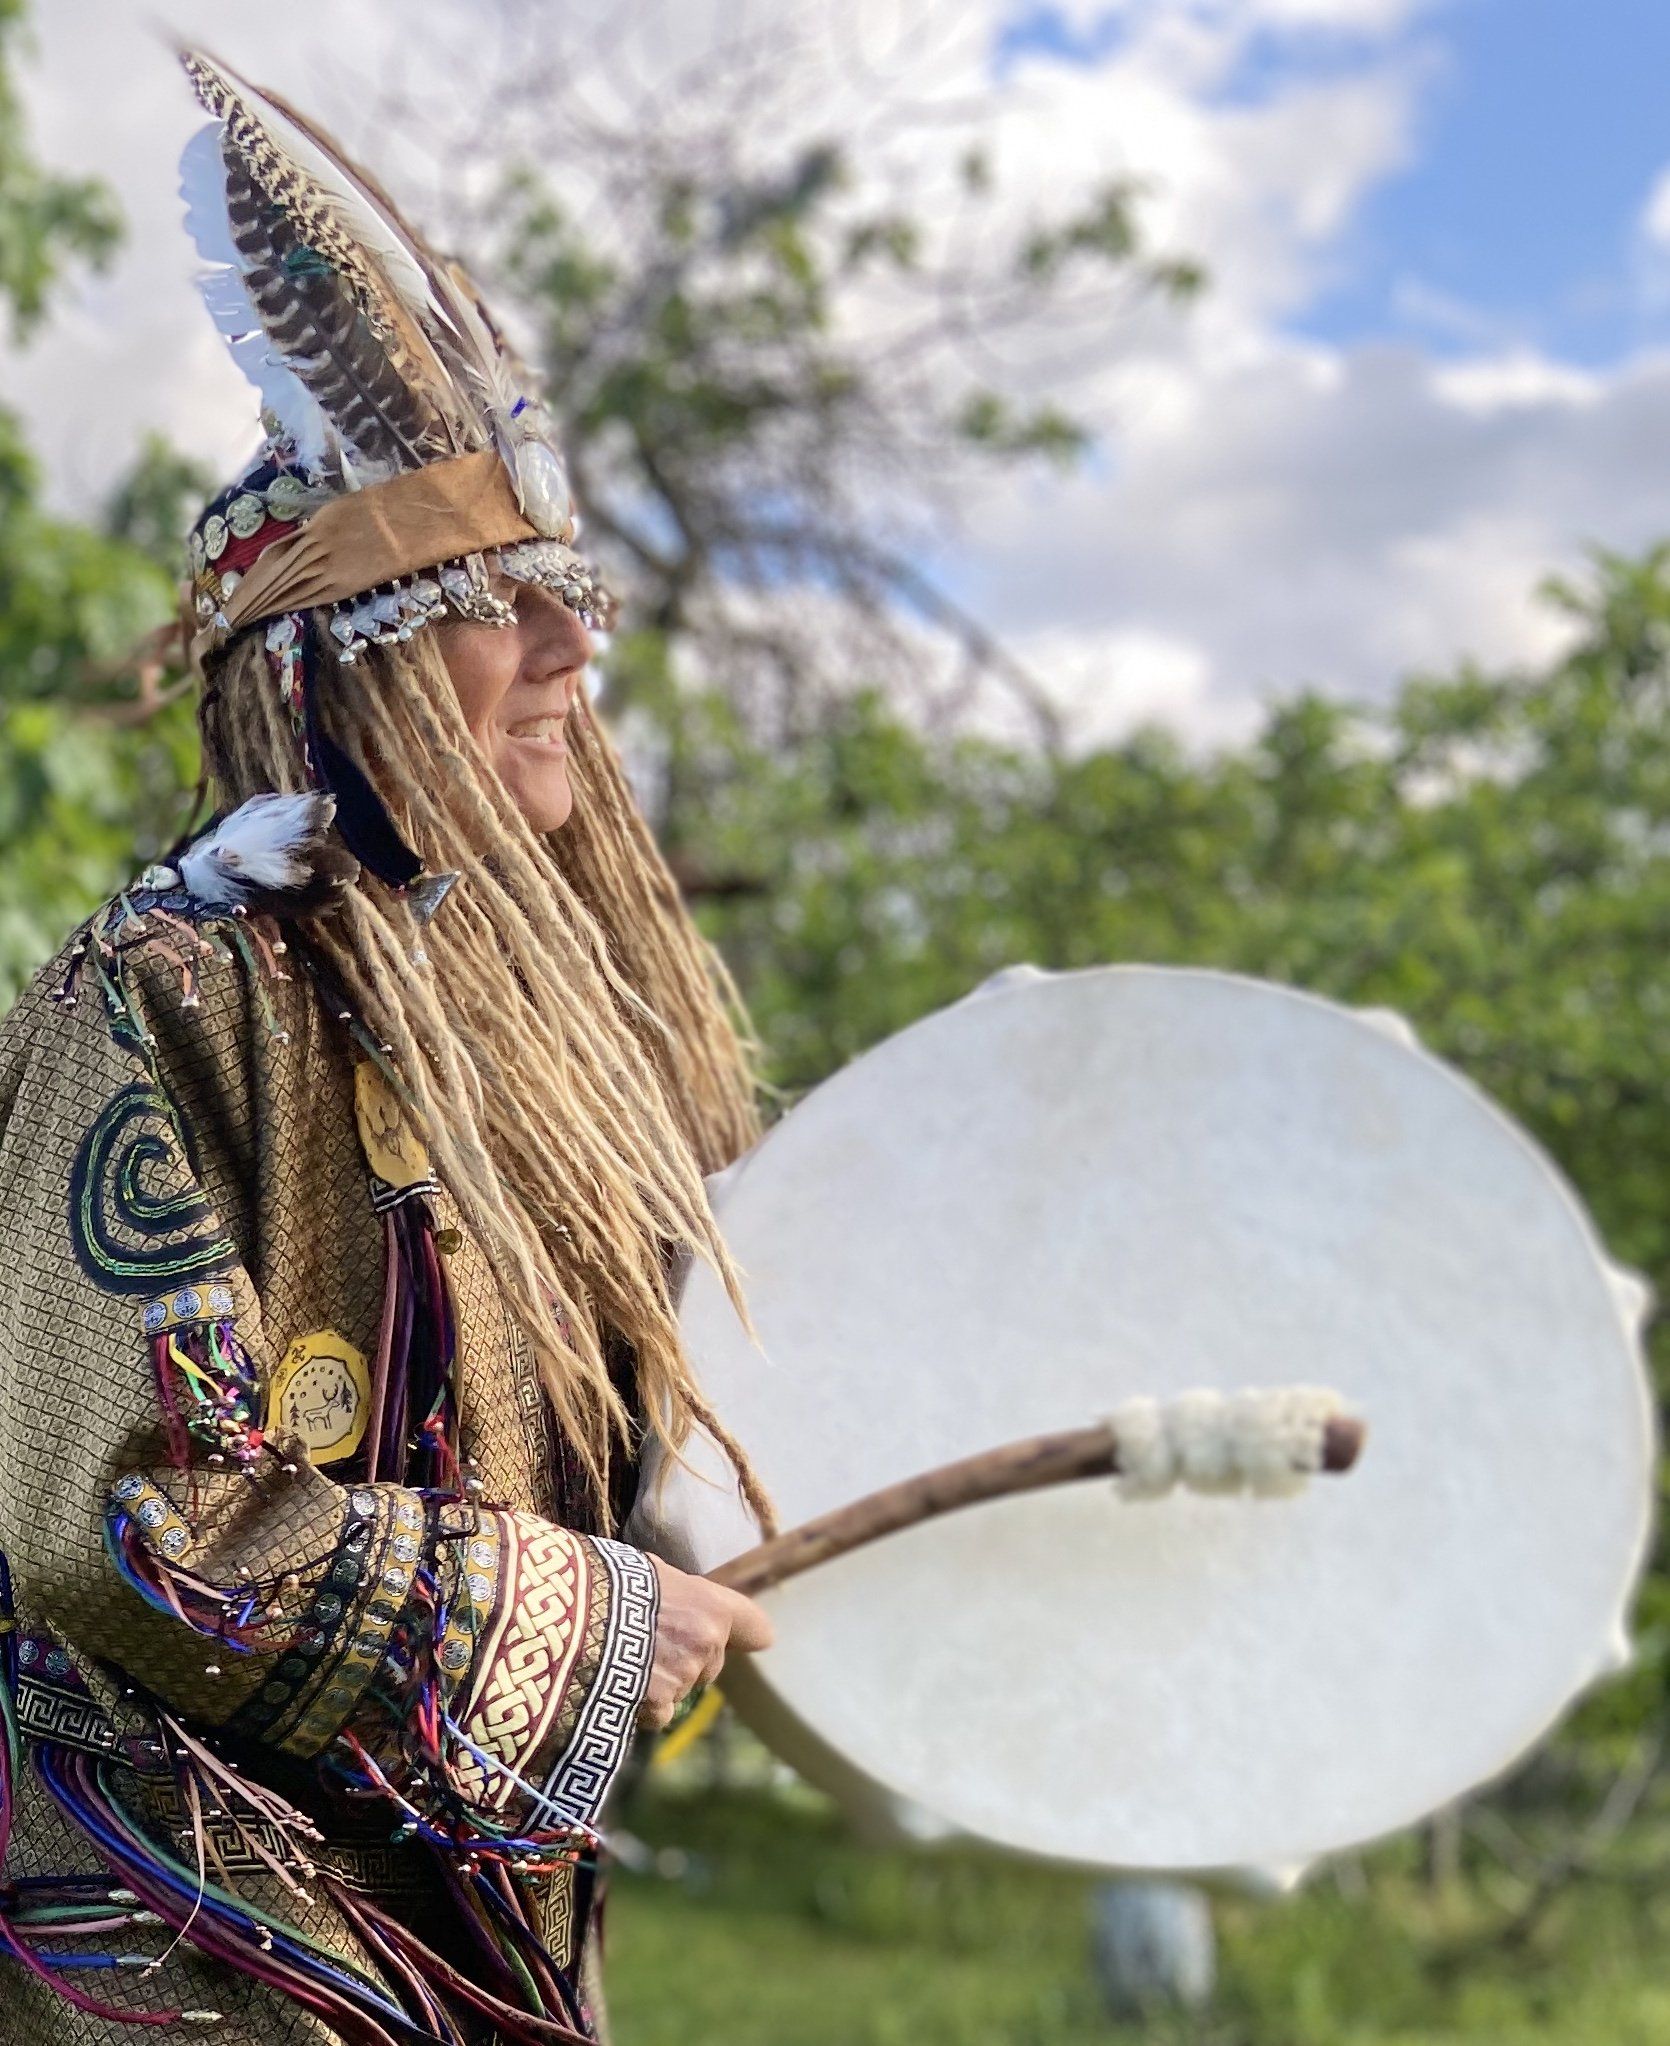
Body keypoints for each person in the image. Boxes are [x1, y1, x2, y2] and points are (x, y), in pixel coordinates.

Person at [0, 45, 774, 2045]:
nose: (572, 648)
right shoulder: (163, 996)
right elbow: (135, 1523)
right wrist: (582, 1623)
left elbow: (537, 1467)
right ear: (326, 659)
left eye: (570, 586)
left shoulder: (526, 1047)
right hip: (205, 1955)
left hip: (475, 1927)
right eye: (497, 594)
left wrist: (643, 1571)